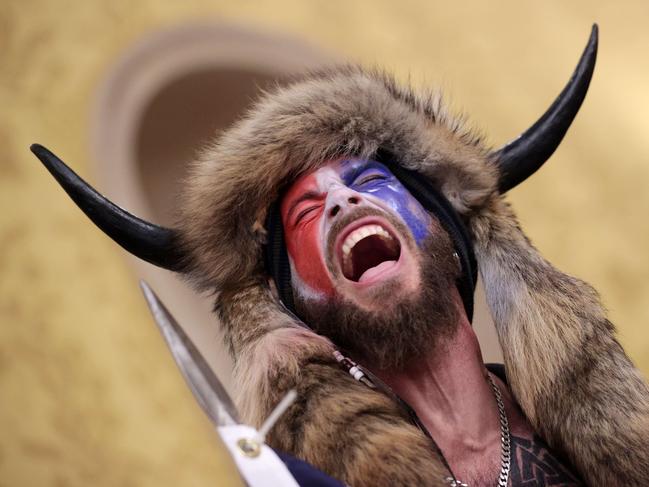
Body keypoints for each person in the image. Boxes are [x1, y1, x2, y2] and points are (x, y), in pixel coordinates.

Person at [33, 26, 649, 486]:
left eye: (371, 182)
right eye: (304, 212)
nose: (340, 200)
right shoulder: (302, 480)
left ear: (447, 235)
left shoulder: (589, 436)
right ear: (299, 302)